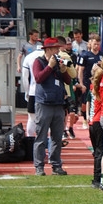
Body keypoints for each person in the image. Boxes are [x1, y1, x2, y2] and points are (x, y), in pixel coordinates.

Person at [31, 38, 73, 175]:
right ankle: (39, 166)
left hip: (58, 104)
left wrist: (63, 70)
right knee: (41, 136)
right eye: (55, 49)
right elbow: (38, 78)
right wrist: (49, 66)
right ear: (48, 49)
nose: (58, 51)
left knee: (57, 137)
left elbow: (68, 81)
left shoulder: (58, 62)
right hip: (44, 104)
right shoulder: (38, 61)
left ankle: (56, 165)